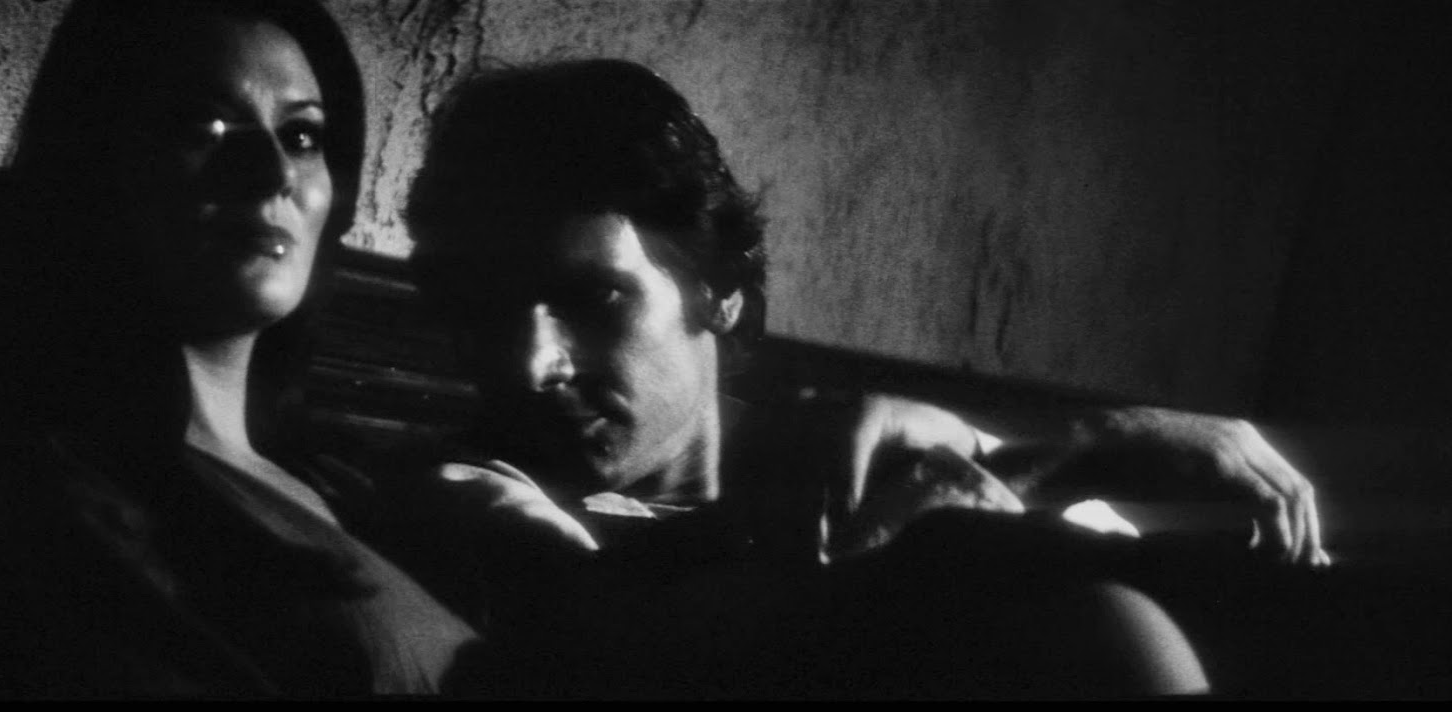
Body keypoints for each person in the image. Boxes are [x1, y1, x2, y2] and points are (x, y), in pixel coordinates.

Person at [404, 58, 1326, 698]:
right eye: (486, 309)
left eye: (593, 298)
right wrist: (1077, 449)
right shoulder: (462, 495)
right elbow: (627, 625)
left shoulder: (857, 448)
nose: (530, 364)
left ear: (717, 291)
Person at [0, 0, 480, 697]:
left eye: (302, 135)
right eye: (202, 125)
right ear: (97, 165)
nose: (273, 171)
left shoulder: (347, 484)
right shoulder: (56, 499)